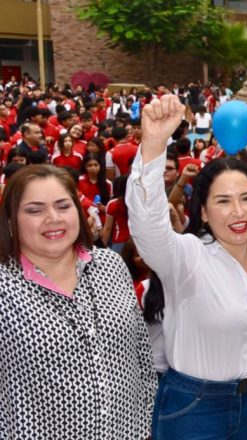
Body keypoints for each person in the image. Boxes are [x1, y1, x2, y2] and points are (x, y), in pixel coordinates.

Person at [126, 95, 247, 439]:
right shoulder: (186, 255)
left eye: (246, 199)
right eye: (223, 202)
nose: (238, 212)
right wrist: (153, 145)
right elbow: (147, 224)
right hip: (195, 408)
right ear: (203, 212)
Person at [0, 165, 156, 437]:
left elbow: (140, 352)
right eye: (35, 210)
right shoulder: (4, 285)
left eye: (63, 206)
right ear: (11, 221)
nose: (53, 218)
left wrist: (144, 420)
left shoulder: (111, 265)